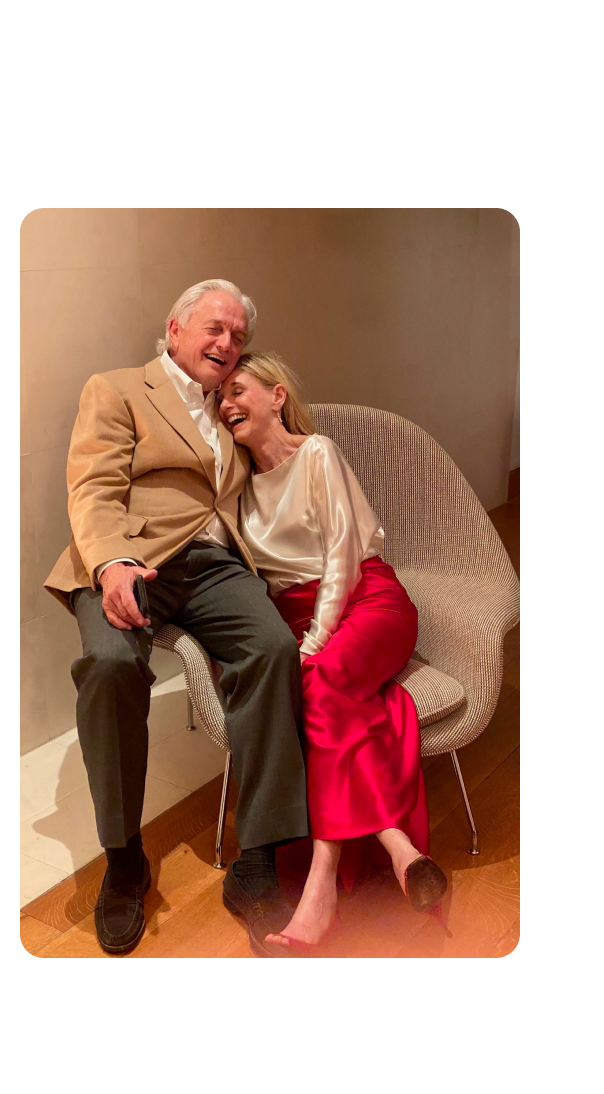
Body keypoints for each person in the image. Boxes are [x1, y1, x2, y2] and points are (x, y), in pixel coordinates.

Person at [44, 281, 310, 957]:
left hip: (217, 566)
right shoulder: (118, 388)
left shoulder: (232, 403)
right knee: (108, 664)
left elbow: (286, 461)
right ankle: (123, 855)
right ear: (175, 328)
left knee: (274, 648)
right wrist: (111, 565)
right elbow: (94, 486)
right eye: (214, 329)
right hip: (131, 558)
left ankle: (256, 862)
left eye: (239, 337)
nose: (226, 344)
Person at [217, 352, 448, 952]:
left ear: (275, 395)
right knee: (327, 694)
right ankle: (401, 851)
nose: (226, 404)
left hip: (367, 600)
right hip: (298, 619)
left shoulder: (316, 453)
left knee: (316, 684)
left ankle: (320, 890)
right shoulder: (237, 490)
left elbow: (343, 554)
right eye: (220, 398)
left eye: (238, 389)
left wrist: (315, 644)